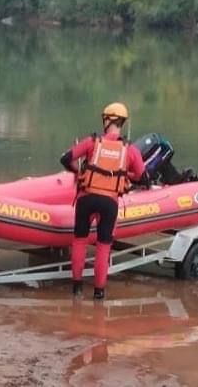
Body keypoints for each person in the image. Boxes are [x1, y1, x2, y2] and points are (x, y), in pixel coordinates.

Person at [59, 102, 146, 300]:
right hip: (109, 203)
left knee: (80, 242)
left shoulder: (92, 141)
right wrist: (123, 174)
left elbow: (66, 159)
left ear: (107, 120)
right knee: (103, 246)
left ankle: (77, 289)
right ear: (122, 122)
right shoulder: (129, 149)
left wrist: (81, 171)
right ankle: (99, 293)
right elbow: (141, 175)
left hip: (86, 199)